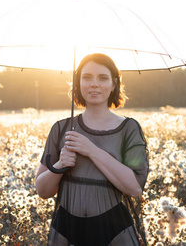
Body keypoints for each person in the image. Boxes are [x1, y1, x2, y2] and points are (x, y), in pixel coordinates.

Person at [35, 53, 149, 245]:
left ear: (114, 84)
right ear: (78, 83)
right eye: (87, 77)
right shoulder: (61, 129)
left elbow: (135, 187)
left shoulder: (129, 129)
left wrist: (91, 150)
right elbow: (43, 190)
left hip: (115, 231)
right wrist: (61, 164)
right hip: (65, 230)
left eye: (102, 78)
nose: (94, 84)